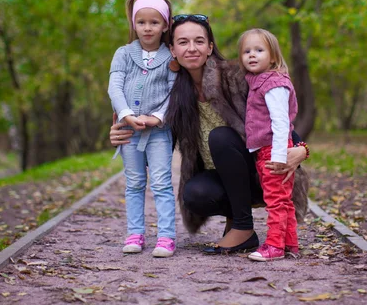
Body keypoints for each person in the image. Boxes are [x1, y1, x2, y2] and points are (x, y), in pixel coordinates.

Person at [110, 14, 310, 254]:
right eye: (183, 42)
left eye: (199, 41)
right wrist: (121, 132)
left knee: (221, 137)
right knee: (195, 194)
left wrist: (302, 148)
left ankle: (243, 227)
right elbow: (156, 130)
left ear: (210, 47)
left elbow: (275, 117)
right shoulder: (172, 92)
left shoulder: (236, 78)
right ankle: (236, 220)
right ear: (172, 50)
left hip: (258, 171)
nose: (192, 48)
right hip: (220, 178)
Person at [107, 0, 177, 257]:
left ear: (165, 25)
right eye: (141, 22)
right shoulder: (124, 54)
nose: (148, 28)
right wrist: (125, 114)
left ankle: (166, 236)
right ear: (133, 24)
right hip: (129, 131)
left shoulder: (170, 58)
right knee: (134, 182)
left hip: (159, 132)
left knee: (161, 183)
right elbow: (115, 86)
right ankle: (135, 233)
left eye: (154, 22)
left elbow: (173, 93)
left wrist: (158, 117)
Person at [237, 28, 301, 262]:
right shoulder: (259, 80)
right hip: (266, 150)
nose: (252, 55)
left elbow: (281, 121)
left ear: (273, 56)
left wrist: (279, 156)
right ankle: (290, 244)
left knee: (275, 201)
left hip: (273, 151)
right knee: (283, 200)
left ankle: (274, 246)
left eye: (259, 50)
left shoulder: (274, 84)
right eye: (247, 51)